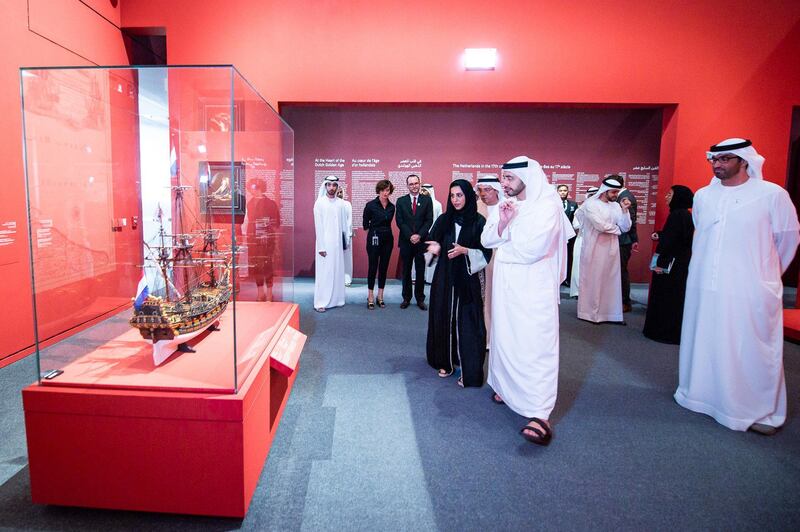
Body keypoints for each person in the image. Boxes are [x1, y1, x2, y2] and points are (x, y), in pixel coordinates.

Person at [675, 138, 800, 435]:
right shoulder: (704, 196)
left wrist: (763, 275)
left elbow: (788, 240)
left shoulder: (772, 195)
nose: (717, 165)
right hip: (705, 285)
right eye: (713, 160)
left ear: (744, 160)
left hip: (750, 288)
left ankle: (754, 409)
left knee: (749, 346)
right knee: (706, 339)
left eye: (725, 159)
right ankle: (701, 396)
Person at [481, 156, 574, 446]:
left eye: (508, 179)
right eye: (502, 178)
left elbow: (534, 249)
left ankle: (539, 412)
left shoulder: (548, 205)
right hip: (507, 285)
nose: (503, 184)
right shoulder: (504, 206)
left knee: (535, 345)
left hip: (535, 288)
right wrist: (504, 224)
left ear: (527, 178)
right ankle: (506, 389)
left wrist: (505, 237)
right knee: (505, 337)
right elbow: (486, 239)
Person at [425, 180, 492, 387]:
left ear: (468, 196)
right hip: (445, 278)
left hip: (468, 279)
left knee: (468, 322)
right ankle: (445, 361)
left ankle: (469, 370)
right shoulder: (444, 219)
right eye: (452, 195)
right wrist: (433, 248)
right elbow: (432, 243)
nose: (455, 200)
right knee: (443, 316)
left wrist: (465, 251)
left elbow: (486, 253)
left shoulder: (479, 222)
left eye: (460, 195)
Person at [642, 185, 694, 344]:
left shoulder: (677, 215)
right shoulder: (685, 215)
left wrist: (661, 263)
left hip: (670, 265)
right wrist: (661, 234)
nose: (666, 197)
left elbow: (672, 242)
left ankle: (662, 332)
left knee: (666, 298)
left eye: (670, 194)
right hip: (680, 264)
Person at [577, 176, 632, 324]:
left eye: (617, 192)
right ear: (605, 191)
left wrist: (625, 211)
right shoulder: (591, 204)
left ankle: (610, 314)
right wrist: (617, 229)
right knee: (594, 279)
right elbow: (600, 226)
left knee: (611, 280)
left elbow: (626, 227)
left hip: (612, 248)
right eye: (613, 192)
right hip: (594, 248)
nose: (616, 195)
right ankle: (590, 313)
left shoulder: (615, 206)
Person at [395, 174, 433, 309]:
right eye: (411, 184)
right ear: (407, 186)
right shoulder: (401, 201)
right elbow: (399, 221)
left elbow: (429, 220)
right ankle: (406, 298)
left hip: (422, 242)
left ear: (419, 183)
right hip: (406, 241)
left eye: (416, 183)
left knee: (420, 270)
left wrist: (419, 235)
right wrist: (411, 235)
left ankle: (420, 299)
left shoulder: (427, 200)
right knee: (406, 271)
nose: (414, 186)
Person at [475, 176, 504, 342]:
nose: (483, 194)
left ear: (496, 189)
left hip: (502, 259)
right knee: (482, 298)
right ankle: (483, 336)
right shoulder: (476, 207)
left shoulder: (506, 207)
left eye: (487, 190)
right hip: (480, 259)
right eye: (480, 190)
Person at [313, 175, 346, 312]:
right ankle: (321, 302)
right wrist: (321, 246)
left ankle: (337, 299)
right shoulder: (319, 203)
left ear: (337, 187)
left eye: (334, 185)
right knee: (325, 273)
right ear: (325, 186)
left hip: (337, 244)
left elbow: (343, 225)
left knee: (337, 271)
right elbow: (318, 226)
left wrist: (345, 243)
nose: (331, 188)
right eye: (329, 185)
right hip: (324, 244)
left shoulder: (340, 203)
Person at [362, 179, 396, 309]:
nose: (385, 193)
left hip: (388, 239)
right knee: (373, 267)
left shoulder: (392, 207)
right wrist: (372, 237)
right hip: (374, 239)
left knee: (383, 267)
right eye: (383, 190)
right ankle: (370, 295)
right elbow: (365, 225)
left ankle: (380, 295)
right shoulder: (370, 205)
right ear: (379, 190)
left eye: (387, 190)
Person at [569, 186, 598, 299]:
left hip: (597, 241)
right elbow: (576, 225)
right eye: (590, 195)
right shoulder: (580, 209)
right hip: (582, 239)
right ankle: (578, 291)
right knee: (578, 266)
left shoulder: (602, 209)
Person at [617, 177, 639, 312]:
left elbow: (630, 221)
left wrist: (634, 239)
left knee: (621, 271)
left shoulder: (625, 197)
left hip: (623, 241)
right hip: (622, 240)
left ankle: (625, 301)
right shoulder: (624, 196)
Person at [420, 184, 443, 284]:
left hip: (432, 234)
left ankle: (429, 279)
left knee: (430, 256)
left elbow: (440, 220)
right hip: (421, 234)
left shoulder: (437, 204)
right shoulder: (421, 203)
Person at [557, 184, 579, 286]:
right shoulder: (553, 204)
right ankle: (557, 278)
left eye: (564, 190)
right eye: (560, 190)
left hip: (570, 237)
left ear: (568, 192)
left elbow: (576, 221)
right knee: (557, 257)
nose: (562, 192)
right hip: (556, 237)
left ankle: (567, 279)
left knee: (569, 257)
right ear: (557, 192)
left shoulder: (573, 205)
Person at [337, 187, 354, 287]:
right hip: (334, 235)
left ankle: (347, 278)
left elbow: (349, 220)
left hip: (346, 235)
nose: (339, 194)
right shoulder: (332, 204)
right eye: (337, 192)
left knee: (346, 258)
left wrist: (348, 235)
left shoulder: (347, 204)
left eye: (340, 192)